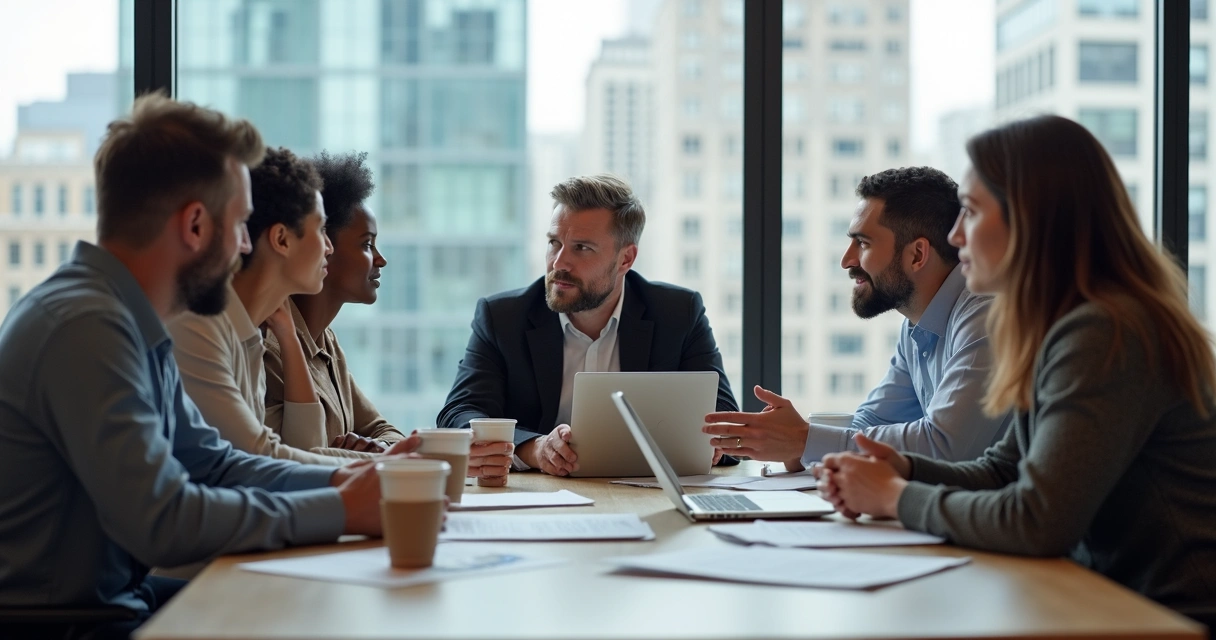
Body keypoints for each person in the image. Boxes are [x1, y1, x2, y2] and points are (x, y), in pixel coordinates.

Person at [0, 94, 413, 639]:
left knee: (314, 608)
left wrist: (346, 477)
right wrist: (339, 509)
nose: (247, 244)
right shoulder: (86, 326)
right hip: (60, 625)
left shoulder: (130, 320)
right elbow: (162, 521)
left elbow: (215, 462)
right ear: (195, 225)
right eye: (241, 223)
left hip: (116, 600)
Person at [816, 115, 1216, 627]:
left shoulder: (1107, 330)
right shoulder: (1059, 325)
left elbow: (1038, 519)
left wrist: (896, 497)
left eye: (972, 213)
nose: (956, 236)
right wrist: (906, 470)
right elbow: (1002, 472)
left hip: (1170, 616)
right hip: (1109, 600)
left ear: (1033, 222)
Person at [704, 167, 1011, 471]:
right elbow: (872, 422)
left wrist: (803, 440)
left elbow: (945, 445)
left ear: (917, 255)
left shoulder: (987, 315)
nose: (846, 260)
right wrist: (793, 441)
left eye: (863, 243)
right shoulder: (917, 324)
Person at [437, 174, 738, 478]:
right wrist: (535, 449)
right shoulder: (502, 317)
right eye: (554, 243)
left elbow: (724, 415)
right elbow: (459, 414)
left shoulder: (678, 313)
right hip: (540, 496)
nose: (559, 263)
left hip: (646, 494)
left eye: (581, 248)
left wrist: (714, 443)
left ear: (625, 259)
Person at [168, 147, 354, 465]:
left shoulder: (251, 332)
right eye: (321, 228)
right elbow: (260, 459)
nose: (329, 246)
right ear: (282, 239)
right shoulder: (199, 325)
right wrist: (390, 467)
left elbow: (301, 451)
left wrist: (288, 335)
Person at [263, 151, 407, 457]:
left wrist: (378, 447)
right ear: (320, 245)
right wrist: (377, 457)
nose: (380, 259)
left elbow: (386, 431)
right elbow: (297, 458)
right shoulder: (267, 346)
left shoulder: (326, 344)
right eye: (367, 244)